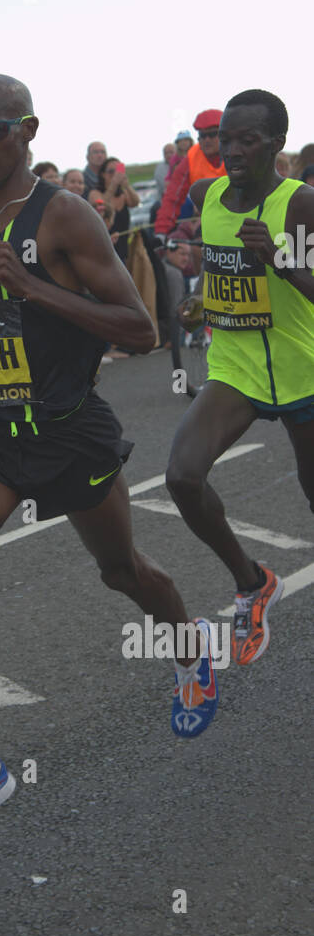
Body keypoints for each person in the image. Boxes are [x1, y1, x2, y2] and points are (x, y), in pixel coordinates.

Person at [0, 74, 220, 860]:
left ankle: (190, 653)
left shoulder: (64, 215)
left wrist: (36, 288)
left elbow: (139, 329)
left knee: (121, 573)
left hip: (67, 427)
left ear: (28, 131)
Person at [166, 89, 314, 666]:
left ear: (275, 143)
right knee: (182, 476)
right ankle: (252, 582)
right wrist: (200, 295)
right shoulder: (208, 196)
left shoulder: (299, 205)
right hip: (236, 370)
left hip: (303, 370)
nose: (231, 150)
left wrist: (282, 260)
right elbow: (220, 264)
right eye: (224, 139)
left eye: (246, 139)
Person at [155, 110, 226, 234]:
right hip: (209, 222)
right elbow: (172, 197)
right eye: (202, 136)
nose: (207, 140)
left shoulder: (238, 150)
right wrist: (161, 231)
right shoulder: (192, 157)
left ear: (223, 134)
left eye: (212, 134)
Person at [94, 156, 139, 264]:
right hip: (106, 248)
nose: (115, 175)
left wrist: (126, 185)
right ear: (103, 174)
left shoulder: (123, 194)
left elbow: (135, 202)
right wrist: (113, 184)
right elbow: (100, 206)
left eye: (118, 171)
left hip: (123, 247)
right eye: (111, 171)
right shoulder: (95, 192)